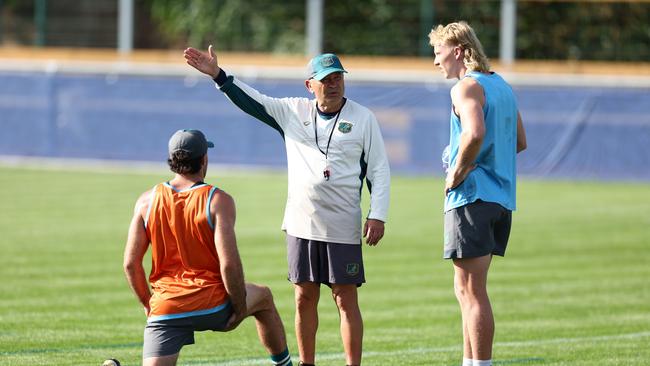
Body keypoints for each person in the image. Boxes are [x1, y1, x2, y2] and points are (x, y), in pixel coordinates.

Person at [183, 47, 390, 366]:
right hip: (301, 223)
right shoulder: (293, 112)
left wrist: (378, 214)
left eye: (338, 77)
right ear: (310, 85)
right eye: (326, 79)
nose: (334, 84)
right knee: (304, 297)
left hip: (343, 225)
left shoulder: (363, 118)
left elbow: (378, 169)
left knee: (345, 298)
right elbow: (253, 101)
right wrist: (218, 75)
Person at [123, 129, 293, 366]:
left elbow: (131, 264)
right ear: (204, 160)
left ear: (172, 160)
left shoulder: (145, 201)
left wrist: (147, 304)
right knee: (263, 296)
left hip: (166, 307)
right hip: (211, 304)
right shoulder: (217, 200)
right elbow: (229, 264)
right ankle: (284, 364)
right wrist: (240, 307)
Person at [428, 22, 527, 366]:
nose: (435, 61)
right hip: (500, 200)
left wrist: (457, 171)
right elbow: (520, 141)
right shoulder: (501, 85)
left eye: (438, 53)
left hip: (472, 199)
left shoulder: (465, 87)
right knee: (467, 291)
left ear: (457, 51)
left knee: (472, 293)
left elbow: (474, 133)